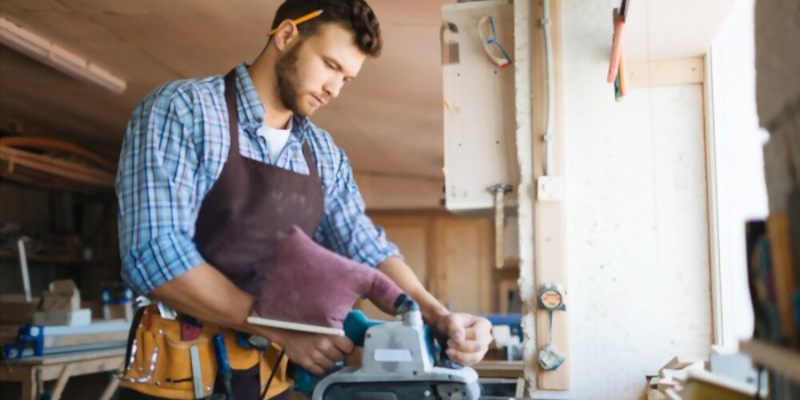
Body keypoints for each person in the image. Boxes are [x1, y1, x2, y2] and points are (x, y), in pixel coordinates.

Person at [115, 0, 493, 399]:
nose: (334, 88)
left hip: (269, 381)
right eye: (330, 65)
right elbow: (154, 255)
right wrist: (278, 326)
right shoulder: (184, 110)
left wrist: (437, 316)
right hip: (175, 383)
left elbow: (366, 248)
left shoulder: (322, 153)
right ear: (286, 35)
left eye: (346, 78)